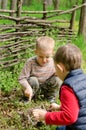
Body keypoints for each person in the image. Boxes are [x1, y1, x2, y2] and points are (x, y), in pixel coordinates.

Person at [32, 43, 86, 130]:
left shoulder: (68, 88)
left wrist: (45, 116)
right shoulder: (83, 79)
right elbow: (81, 106)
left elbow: (69, 117)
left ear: (60, 68)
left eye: (55, 69)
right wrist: (60, 107)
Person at [18, 36, 62, 103]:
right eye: (41, 57)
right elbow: (22, 78)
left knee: (57, 79)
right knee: (33, 80)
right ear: (36, 52)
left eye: (47, 57)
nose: (44, 60)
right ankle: (27, 97)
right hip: (32, 87)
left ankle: (50, 97)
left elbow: (61, 75)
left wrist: (59, 74)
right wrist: (27, 87)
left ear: (52, 53)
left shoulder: (54, 63)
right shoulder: (30, 62)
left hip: (46, 86)